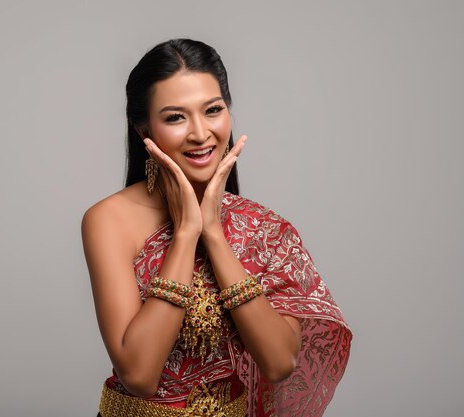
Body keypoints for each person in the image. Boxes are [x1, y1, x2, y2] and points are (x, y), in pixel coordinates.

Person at [82, 38, 351, 417]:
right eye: (175, 117)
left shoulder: (265, 230)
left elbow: (279, 364)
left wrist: (214, 234)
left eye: (212, 110)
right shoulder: (109, 220)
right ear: (145, 130)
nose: (200, 133)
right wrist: (187, 233)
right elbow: (138, 374)